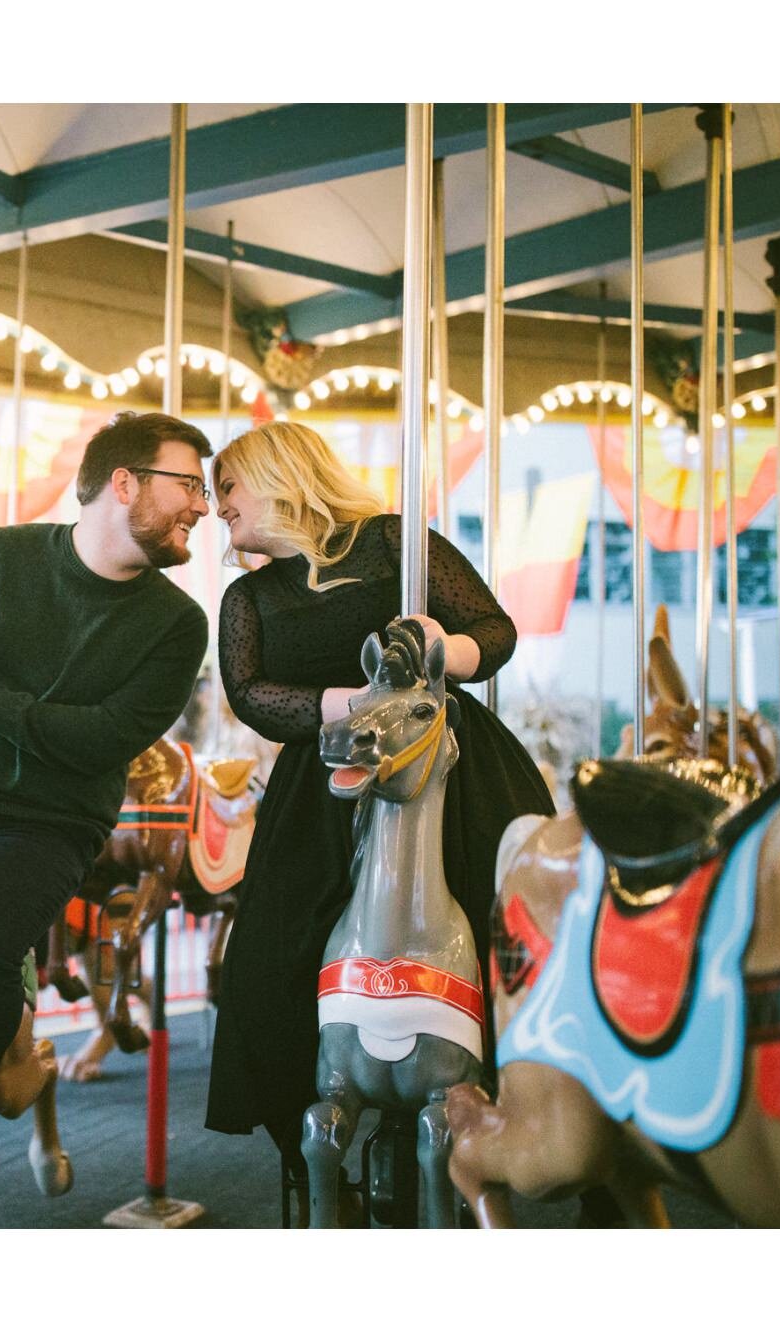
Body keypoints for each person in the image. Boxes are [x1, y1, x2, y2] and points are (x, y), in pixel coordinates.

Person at [203, 420, 554, 1169]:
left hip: (438, 757)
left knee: (509, 907)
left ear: (277, 474)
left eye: (226, 485)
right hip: (328, 774)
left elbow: (493, 629)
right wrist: (359, 704)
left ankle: (536, 1095)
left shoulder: (396, 545)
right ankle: (300, 1127)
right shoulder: (248, 597)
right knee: (272, 947)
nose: (216, 504)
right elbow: (253, 694)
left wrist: (440, 650)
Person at [0, 410, 213, 1179]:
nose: (201, 505)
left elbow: (108, 737)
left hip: (43, 823)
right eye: (189, 485)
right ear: (124, 483)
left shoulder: (176, 624)